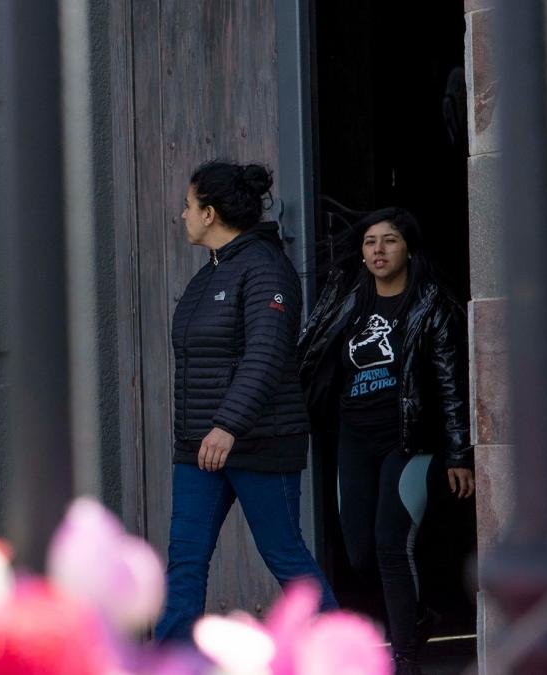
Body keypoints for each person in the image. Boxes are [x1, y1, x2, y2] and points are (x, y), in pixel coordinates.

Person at [154, 161, 336, 643]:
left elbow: (267, 353)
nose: (183, 214)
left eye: (189, 205)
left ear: (210, 213)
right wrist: (203, 434)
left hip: (259, 441)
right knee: (184, 560)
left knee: (284, 556)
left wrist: (228, 425)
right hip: (199, 447)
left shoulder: (264, 267)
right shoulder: (209, 275)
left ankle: (346, 658)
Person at [297, 207, 474, 674]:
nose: (378, 249)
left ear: (408, 249)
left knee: (391, 544)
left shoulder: (428, 304)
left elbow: (452, 381)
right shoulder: (347, 298)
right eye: (371, 241)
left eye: (390, 240)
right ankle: (418, 618)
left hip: (408, 440)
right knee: (358, 553)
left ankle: (403, 654)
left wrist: (459, 452)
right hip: (354, 437)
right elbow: (310, 353)